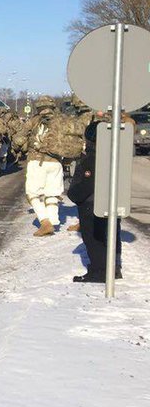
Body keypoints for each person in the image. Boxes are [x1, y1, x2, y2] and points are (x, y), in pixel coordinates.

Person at [14, 95, 85, 236]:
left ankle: (45, 222)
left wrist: (18, 145)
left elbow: (19, 139)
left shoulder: (35, 120)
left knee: (32, 193)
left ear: (38, 107)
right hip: (57, 162)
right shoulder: (63, 120)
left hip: (37, 161)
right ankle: (53, 221)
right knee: (52, 193)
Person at [67, 111, 125, 282]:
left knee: (94, 238)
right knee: (111, 236)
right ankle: (113, 268)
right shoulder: (112, 154)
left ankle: (100, 272)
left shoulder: (92, 157)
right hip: (109, 201)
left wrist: (74, 195)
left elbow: (86, 183)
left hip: (91, 204)